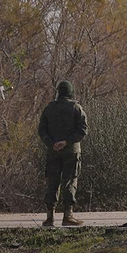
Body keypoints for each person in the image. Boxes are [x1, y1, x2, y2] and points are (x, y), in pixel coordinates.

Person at [38, 79, 88, 226]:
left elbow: (42, 130)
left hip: (53, 152)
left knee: (52, 182)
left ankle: (50, 217)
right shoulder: (76, 108)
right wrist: (67, 142)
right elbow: (83, 130)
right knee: (70, 181)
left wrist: (52, 143)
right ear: (71, 92)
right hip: (71, 151)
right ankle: (68, 216)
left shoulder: (49, 109)